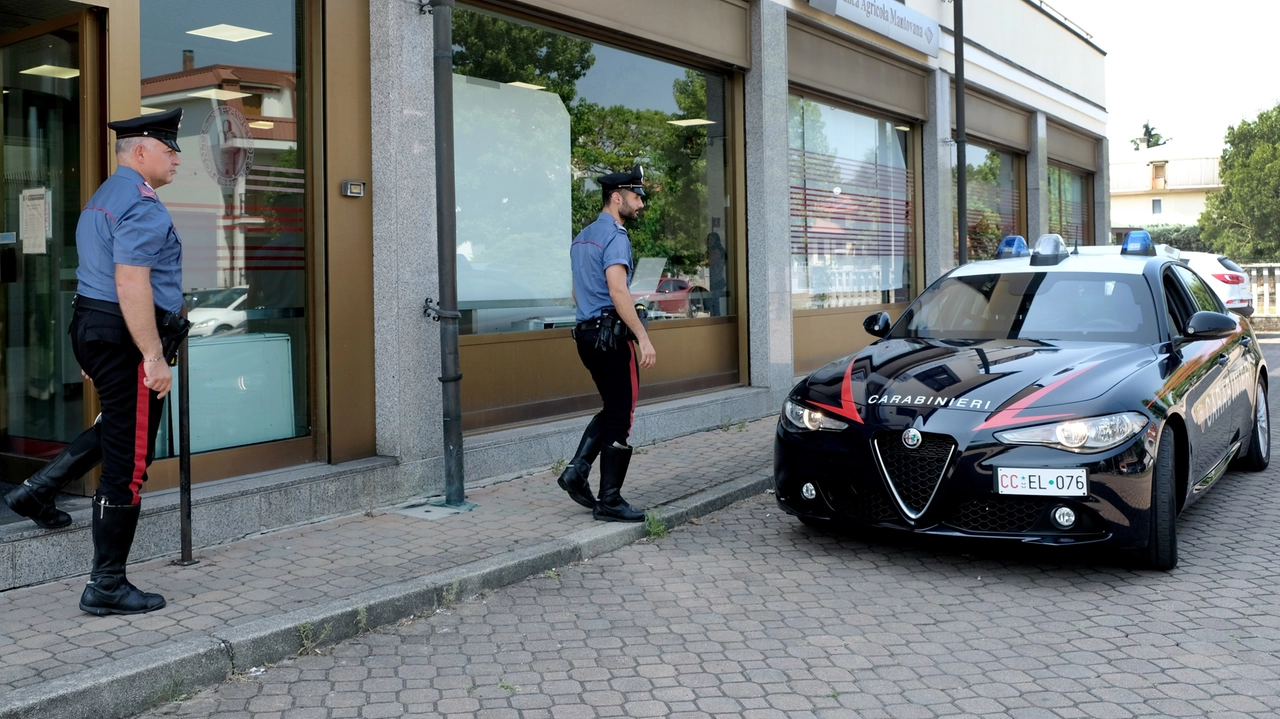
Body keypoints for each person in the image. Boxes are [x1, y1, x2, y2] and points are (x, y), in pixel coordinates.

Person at [64, 107, 184, 615]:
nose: (177, 159)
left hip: (97, 329)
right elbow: (130, 281)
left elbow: (93, 278)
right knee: (128, 464)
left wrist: (94, 348)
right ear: (141, 151)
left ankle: (37, 491)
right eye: (169, 150)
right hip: (126, 340)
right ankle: (106, 585)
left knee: (119, 441)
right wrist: (153, 356)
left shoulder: (101, 199)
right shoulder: (143, 205)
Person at [556, 166, 657, 522]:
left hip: (586, 334)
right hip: (610, 336)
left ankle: (577, 470)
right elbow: (617, 290)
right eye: (636, 197)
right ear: (617, 198)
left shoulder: (583, 236)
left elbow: (575, 290)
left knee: (612, 406)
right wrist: (643, 337)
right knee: (622, 413)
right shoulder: (616, 237)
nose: (641, 204)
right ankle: (609, 499)